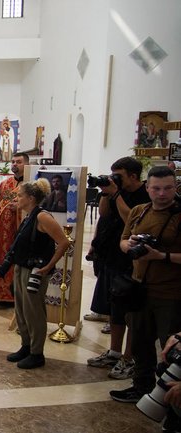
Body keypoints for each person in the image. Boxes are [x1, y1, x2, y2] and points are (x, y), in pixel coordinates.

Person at [110, 166, 181, 404]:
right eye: (157, 188)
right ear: (148, 188)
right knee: (140, 343)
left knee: (171, 348)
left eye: (168, 188)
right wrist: (128, 245)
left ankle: (171, 399)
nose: (162, 194)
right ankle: (141, 388)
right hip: (139, 288)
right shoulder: (139, 211)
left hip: (170, 292)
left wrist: (161, 256)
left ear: (175, 187)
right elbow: (122, 240)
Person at [86, 157, 150, 379]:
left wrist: (116, 194)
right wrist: (106, 193)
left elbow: (131, 222)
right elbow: (104, 214)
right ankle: (114, 351)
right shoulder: (115, 192)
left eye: (119, 175)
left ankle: (128, 357)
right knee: (115, 309)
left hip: (131, 261)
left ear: (133, 175)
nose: (115, 179)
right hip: (111, 256)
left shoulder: (145, 195)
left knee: (129, 312)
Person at [4, 178, 68, 369]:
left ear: (31, 198)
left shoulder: (42, 217)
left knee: (34, 312)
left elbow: (64, 242)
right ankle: (26, 346)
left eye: (20, 195)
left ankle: (37, 353)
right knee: (22, 310)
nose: (17, 198)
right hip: (22, 267)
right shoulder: (29, 215)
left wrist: (49, 266)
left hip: (35, 271)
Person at [0, 152, 28, 306]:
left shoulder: (31, 185)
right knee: (0, 261)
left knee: (16, 261)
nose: (15, 164)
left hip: (19, 232)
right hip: (2, 233)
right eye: (13, 162)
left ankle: (12, 295)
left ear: (27, 165)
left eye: (19, 162)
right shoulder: (5, 184)